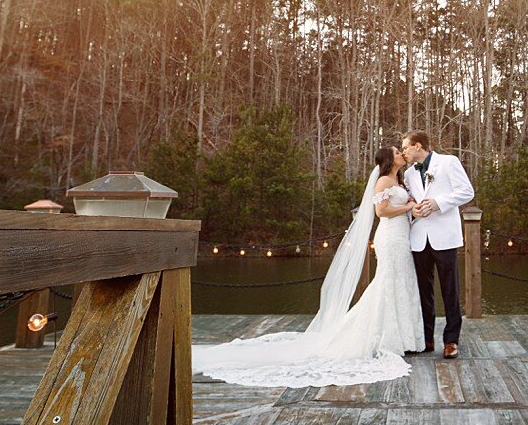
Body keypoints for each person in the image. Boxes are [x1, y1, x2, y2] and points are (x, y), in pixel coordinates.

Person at [191, 145, 427, 387]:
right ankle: (385, 338)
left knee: (403, 281)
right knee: (387, 282)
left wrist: (410, 203)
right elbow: (381, 211)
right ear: (389, 159)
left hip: (402, 237)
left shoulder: (399, 181)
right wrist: (407, 207)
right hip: (390, 237)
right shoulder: (383, 181)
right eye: (397, 152)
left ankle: (406, 338)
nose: (401, 153)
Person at [401, 131, 476, 359]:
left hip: (445, 237)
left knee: (449, 290)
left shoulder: (448, 162)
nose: (403, 152)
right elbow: (409, 200)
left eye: (405, 147)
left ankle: (451, 340)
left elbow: (467, 192)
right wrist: (412, 209)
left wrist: (438, 203)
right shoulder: (408, 174)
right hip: (419, 238)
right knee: (423, 291)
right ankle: (426, 338)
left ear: (418, 145)